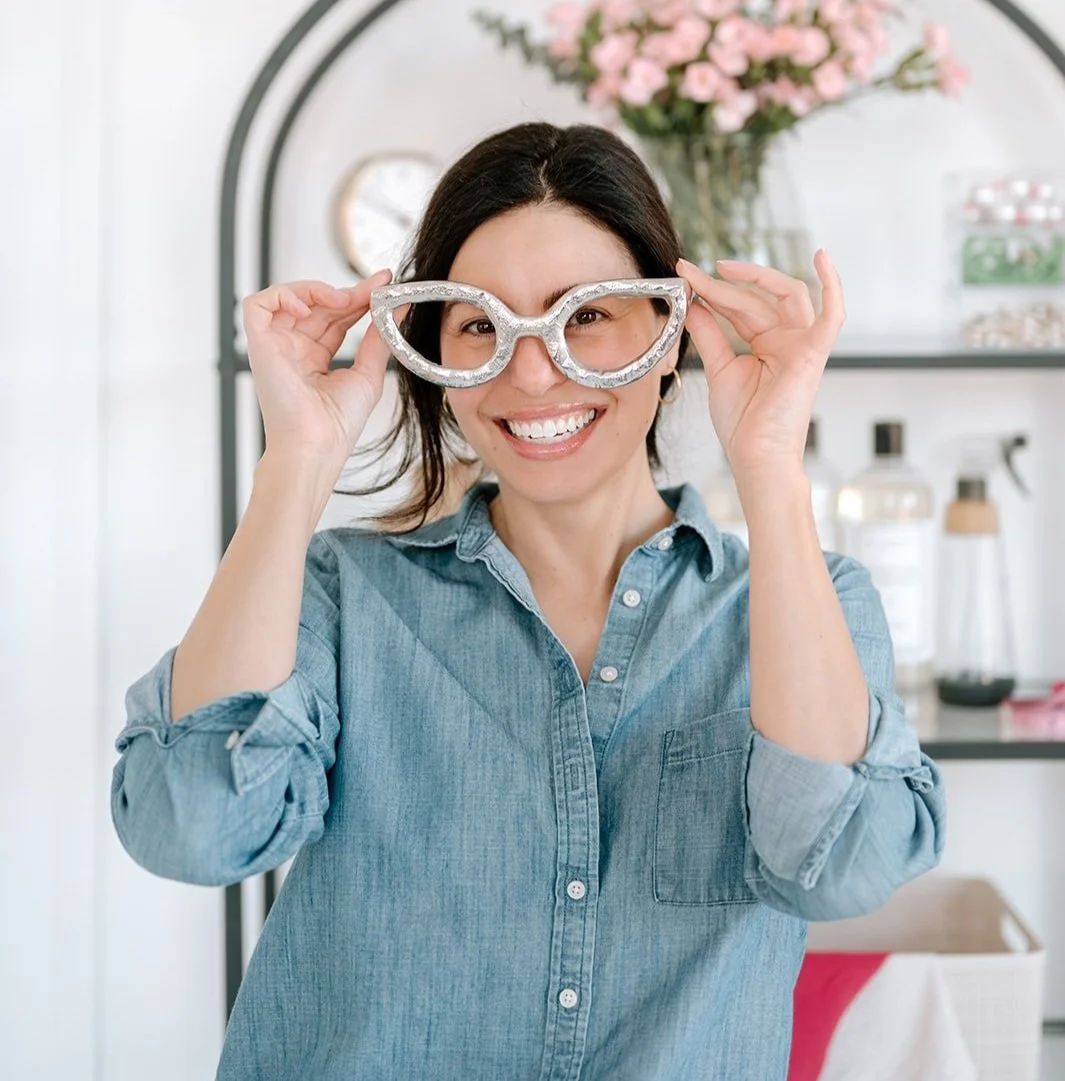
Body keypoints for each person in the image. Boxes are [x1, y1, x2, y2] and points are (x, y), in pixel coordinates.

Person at [111, 122, 944, 1081]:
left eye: (584, 316)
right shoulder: (343, 597)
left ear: (667, 338)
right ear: (438, 361)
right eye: (481, 325)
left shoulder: (807, 602)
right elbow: (196, 827)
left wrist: (768, 465)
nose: (533, 369)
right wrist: (295, 458)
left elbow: (844, 866)